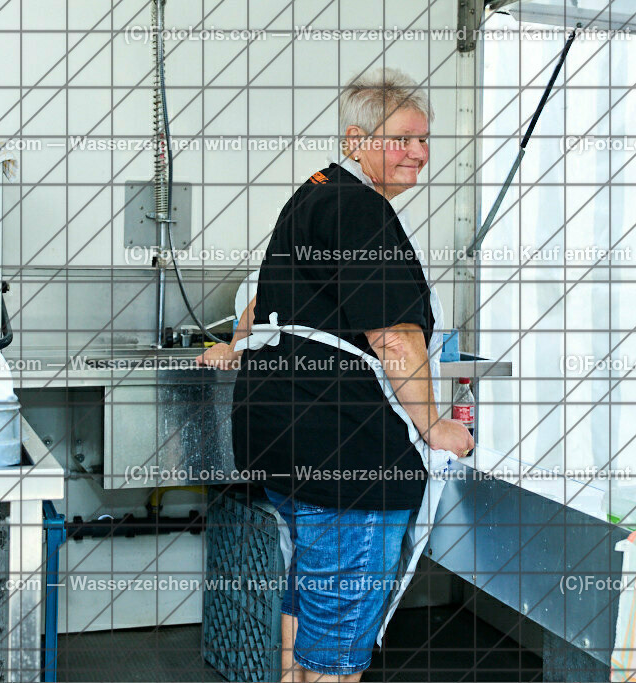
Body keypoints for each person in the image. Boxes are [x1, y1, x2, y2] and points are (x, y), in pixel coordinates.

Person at [199, 67, 473, 682]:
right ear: (356, 139)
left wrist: (236, 343)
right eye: (402, 138)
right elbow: (395, 338)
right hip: (347, 455)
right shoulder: (362, 212)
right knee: (340, 644)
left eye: (425, 140)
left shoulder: (314, 194)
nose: (419, 153)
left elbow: (258, 307)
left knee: (308, 603)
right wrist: (435, 426)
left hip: (284, 444)